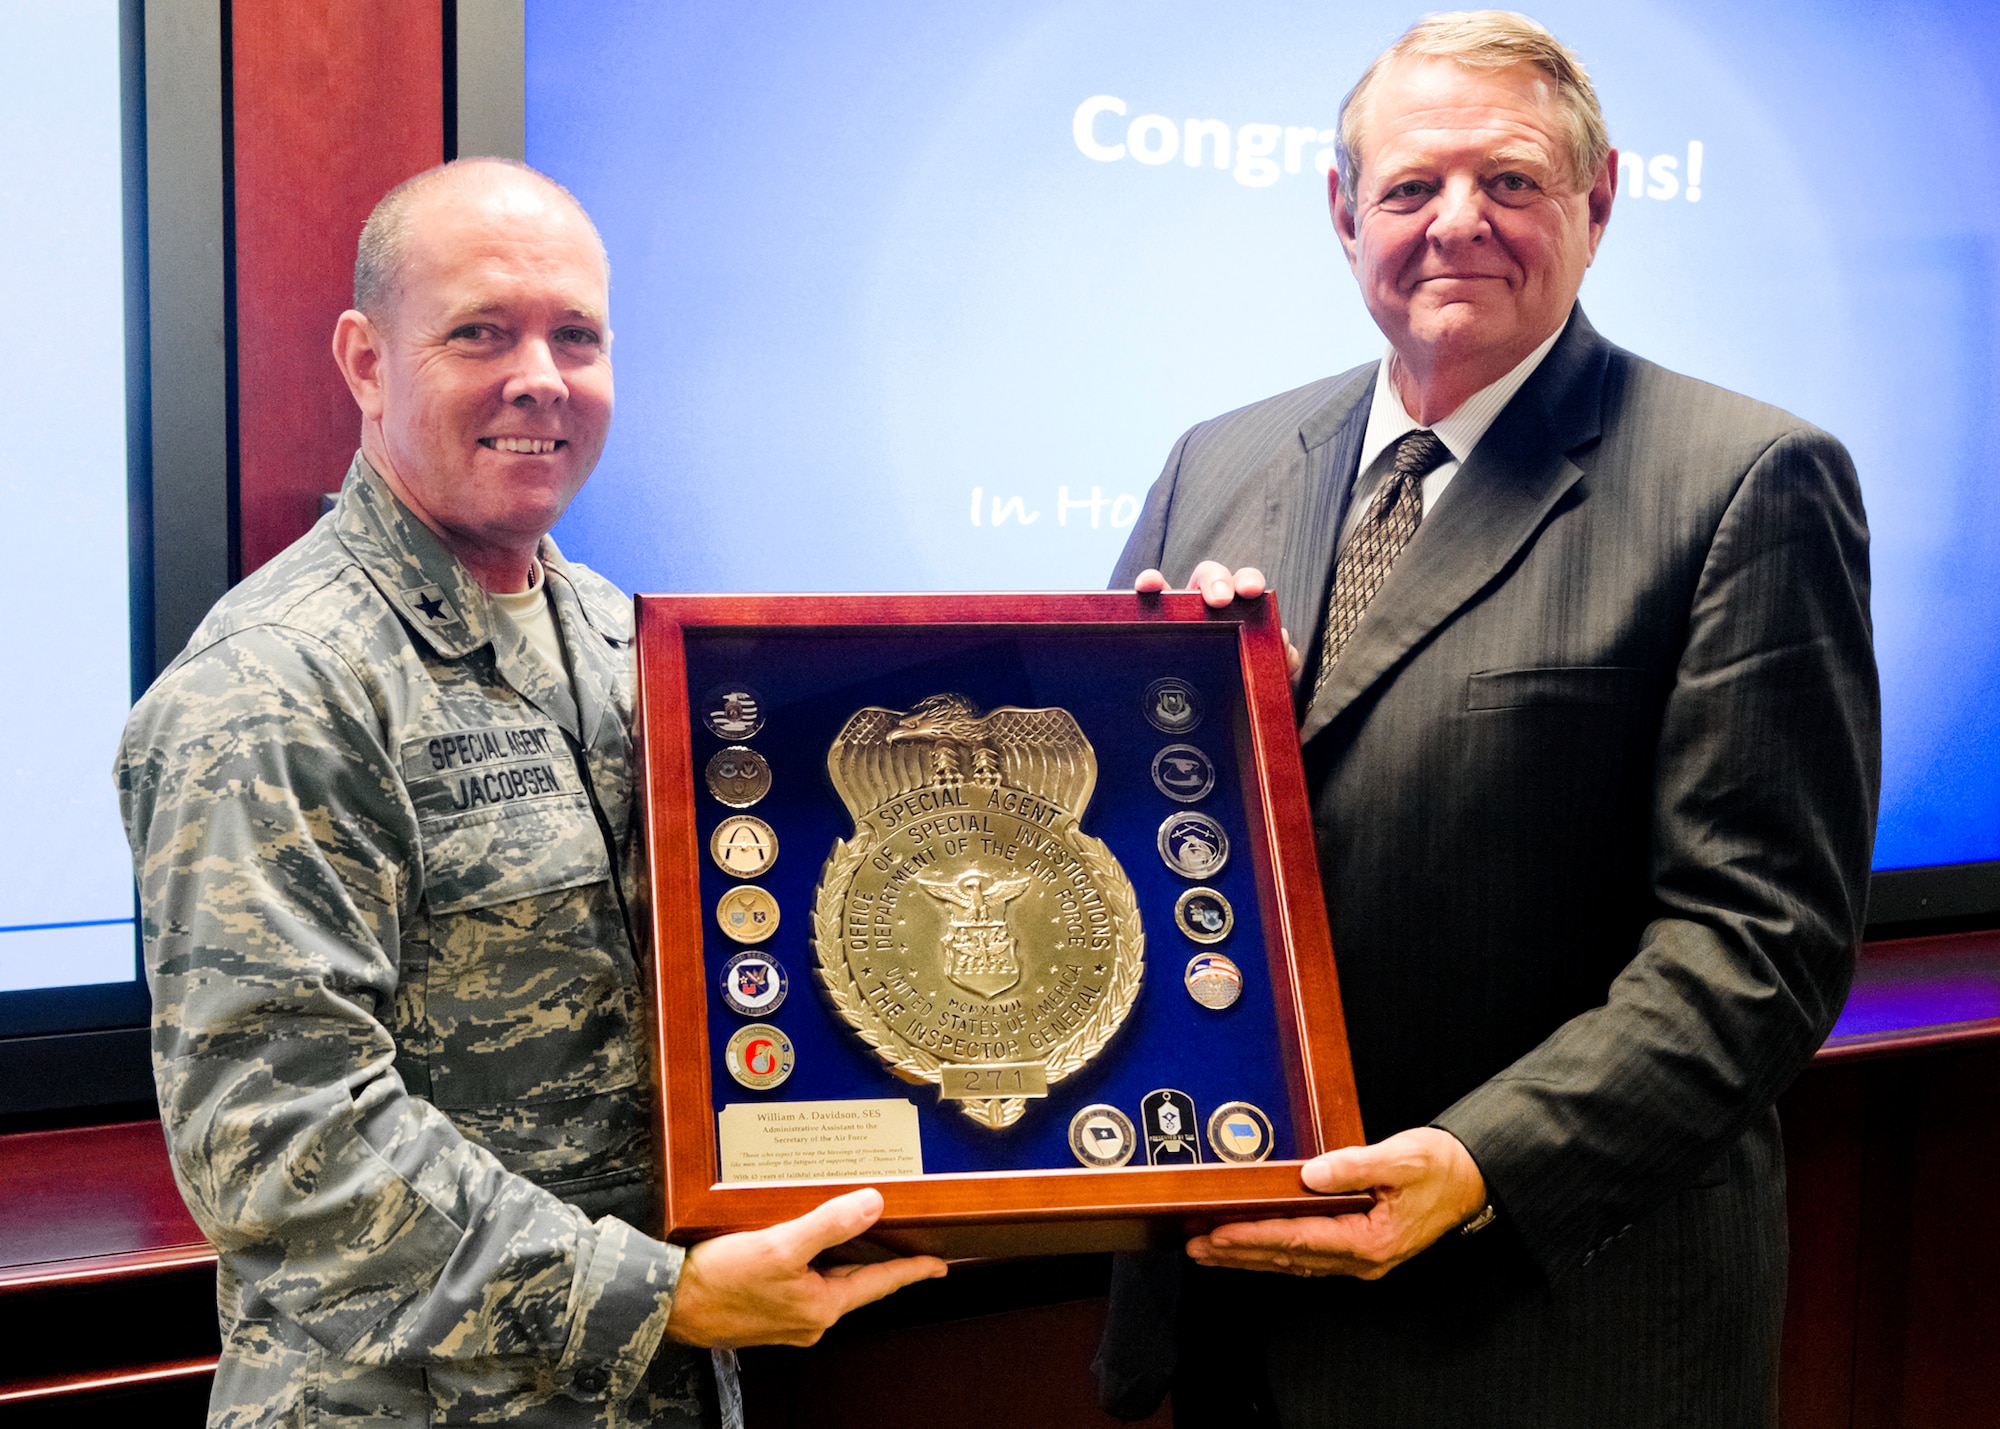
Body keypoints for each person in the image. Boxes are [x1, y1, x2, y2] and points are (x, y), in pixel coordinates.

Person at [1098, 12, 1878, 1427]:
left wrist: (1476, 1163)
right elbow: (1107, 847)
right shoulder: (1216, 459)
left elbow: (1760, 944)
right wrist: (1148, 722)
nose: (1457, 223)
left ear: (1598, 202)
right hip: (1245, 1306)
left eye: (1510, 181)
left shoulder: (1746, 479)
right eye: (1411, 188)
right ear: (1346, 215)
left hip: (1553, 1318)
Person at [115, 158, 944, 1429]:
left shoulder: (632, 649)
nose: (540, 379)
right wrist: (655, 1301)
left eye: (576, 336)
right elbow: (281, 1139)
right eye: (478, 334)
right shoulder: (276, 689)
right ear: (366, 360)